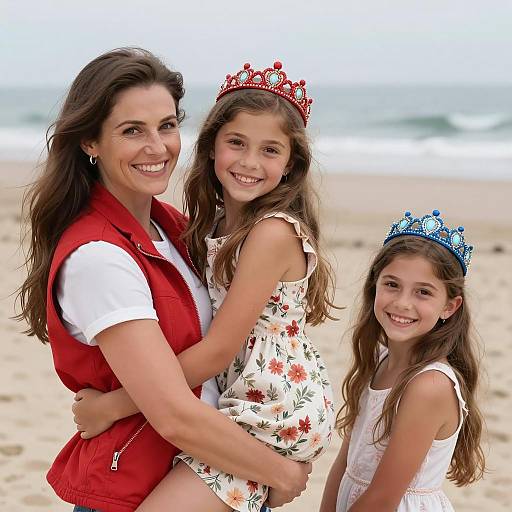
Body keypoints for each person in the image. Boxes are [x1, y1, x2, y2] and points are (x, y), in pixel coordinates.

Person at [16, 48, 313, 512]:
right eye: (132, 130)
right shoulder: (99, 258)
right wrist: (279, 472)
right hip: (134, 489)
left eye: (168, 125)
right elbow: (172, 413)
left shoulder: (177, 229)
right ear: (90, 141)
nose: (158, 147)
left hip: (214, 467)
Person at [320, 210, 486, 512]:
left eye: (423, 292)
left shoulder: (429, 385)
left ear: (449, 306)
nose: (402, 303)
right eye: (392, 284)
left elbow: (383, 499)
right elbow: (345, 461)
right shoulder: (378, 360)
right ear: (375, 286)